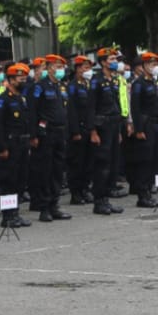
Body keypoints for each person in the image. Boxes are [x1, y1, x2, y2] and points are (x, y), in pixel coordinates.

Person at [27, 54, 73, 222]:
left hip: (60, 132)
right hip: (46, 133)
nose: (60, 69)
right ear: (49, 67)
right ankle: (44, 207)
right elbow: (32, 112)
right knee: (45, 170)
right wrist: (33, 135)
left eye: (62, 66)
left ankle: (55, 205)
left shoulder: (60, 87)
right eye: (57, 66)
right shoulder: (40, 87)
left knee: (58, 170)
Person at [0, 63, 33, 228]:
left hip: (22, 144)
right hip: (9, 146)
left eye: (24, 77)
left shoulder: (21, 98)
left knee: (19, 181)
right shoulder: (3, 100)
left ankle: (15, 213)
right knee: (8, 182)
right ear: (10, 79)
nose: (23, 80)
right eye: (19, 78)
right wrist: (2, 148)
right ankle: (7, 216)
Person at [86, 48, 126, 213]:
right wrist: (93, 131)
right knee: (102, 165)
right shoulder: (96, 81)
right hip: (101, 127)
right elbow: (90, 108)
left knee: (112, 164)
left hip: (113, 126)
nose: (115, 61)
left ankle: (106, 198)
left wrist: (118, 131)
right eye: (111, 59)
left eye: (115, 59)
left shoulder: (114, 80)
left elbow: (116, 105)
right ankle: (99, 200)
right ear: (103, 62)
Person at [128, 52, 158, 207]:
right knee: (145, 160)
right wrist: (138, 129)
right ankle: (142, 195)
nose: (154, 67)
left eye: (155, 64)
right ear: (143, 66)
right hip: (146, 125)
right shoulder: (139, 84)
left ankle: (149, 191)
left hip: (156, 125)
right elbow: (135, 108)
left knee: (155, 160)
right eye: (150, 64)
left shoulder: (153, 83)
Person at [67, 56, 94, 205]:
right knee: (77, 162)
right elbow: (72, 111)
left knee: (88, 162)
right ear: (77, 69)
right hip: (79, 129)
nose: (87, 71)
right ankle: (76, 192)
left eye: (89, 68)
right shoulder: (73, 86)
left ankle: (85, 189)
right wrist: (75, 131)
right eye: (85, 68)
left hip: (89, 129)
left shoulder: (87, 85)